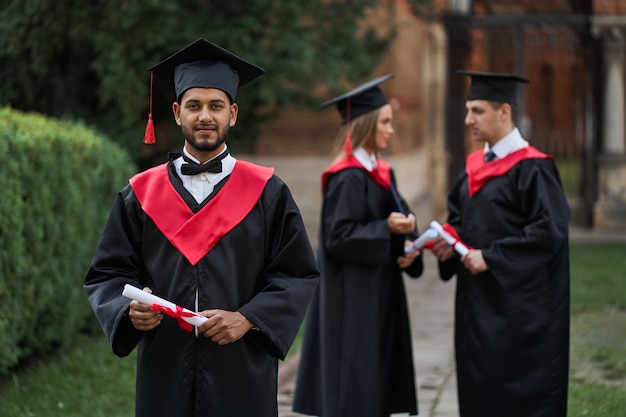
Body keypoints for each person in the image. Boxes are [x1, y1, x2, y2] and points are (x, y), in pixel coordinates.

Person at [83, 39, 320, 417]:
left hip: (241, 369)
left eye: (216, 106)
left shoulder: (268, 193)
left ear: (233, 114)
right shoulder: (140, 194)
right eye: (194, 106)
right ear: (177, 113)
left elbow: (296, 274)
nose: (205, 116)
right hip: (165, 366)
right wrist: (129, 311)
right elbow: (108, 273)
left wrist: (248, 319)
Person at [432, 70, 570, 417]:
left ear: (504, 111)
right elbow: (461, 217)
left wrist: (492, 257)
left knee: (519, 396)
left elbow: (549, 230)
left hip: (521, 312)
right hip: (477, 307)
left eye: (477, 111)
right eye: (467, 110)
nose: (468, 120)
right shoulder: (473, 166)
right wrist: (450, 242)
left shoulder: (533, 168)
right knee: (479, 390)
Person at [293, 74, 424, 417]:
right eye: (385, 122)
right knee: (356, 381)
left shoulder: (381, 172)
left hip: (377, 291)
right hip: (351, 297)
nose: (391, 130)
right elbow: (338, 237)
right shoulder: (348, 177)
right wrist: (387, 228)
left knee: (376, 374)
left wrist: (408, 240)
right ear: (365, 125)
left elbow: (400, 216)